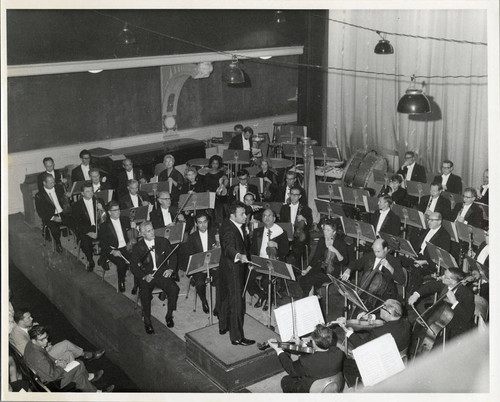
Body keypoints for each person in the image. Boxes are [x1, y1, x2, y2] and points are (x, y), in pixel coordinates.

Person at [337, 299, 411, 385]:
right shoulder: (406, 324)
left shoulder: (380, 332)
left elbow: (361, 345)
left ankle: (357, 386)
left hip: (382, 365)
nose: (380, 309)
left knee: (345, 363)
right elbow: (385, 320)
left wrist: (348, 331)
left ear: (389, 313)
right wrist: (370, 317)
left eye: (382, 308)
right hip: (398, 360)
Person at [23, 325, 114, 393]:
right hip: (53, 383)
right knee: (79, 364)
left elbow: (46, 356)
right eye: (42, 339)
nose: (46, 341)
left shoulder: (30, 344)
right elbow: (52, 377)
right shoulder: (38, 358)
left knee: (71, 360)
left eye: (46, 337)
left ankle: (94, 391)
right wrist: (61, 366)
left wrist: (56, 361)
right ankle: (89, 383)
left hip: (46, 371)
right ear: (34, 340)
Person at [216, 202, 255, 346]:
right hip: (233, 269)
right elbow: (228, 247)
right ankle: (237, 337)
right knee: (237, 303)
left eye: (245, 213)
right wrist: (239, 255)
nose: (245, 216)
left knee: (225, 298)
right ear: (233, 215)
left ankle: (223, 326)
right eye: (242, 214)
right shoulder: (229, 231)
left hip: (225, 267)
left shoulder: (228, 222)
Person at [130, 221, 179, 333]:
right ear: (142, 234)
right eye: (148, 231)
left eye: (152, 229)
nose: (152, 232)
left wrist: (170, 269)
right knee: (145, 295)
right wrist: (144, 276)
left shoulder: (163, 241)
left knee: (174, 289)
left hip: (161, 273)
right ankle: (147, 322)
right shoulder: (138, 247)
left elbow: (173, 256)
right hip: (147, 275)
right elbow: (133, 266)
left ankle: (169, 315)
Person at [267, 324, 344, 393]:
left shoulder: (306, 361)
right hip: (334, 384)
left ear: (313, 342)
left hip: (311, 389)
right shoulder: (338, 353)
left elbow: (291, 369)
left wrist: (278, 350)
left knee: (286, 380)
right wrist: (301, 344)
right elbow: (318, 351)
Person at [10, 309, 104, 364]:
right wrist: (45, 347)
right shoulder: (18, 336)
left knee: (69, 353)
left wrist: (47, 344)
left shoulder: (24, 327)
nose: (32, 318)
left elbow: (38, 338)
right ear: (21, 322)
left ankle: (84, 377)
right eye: (28, 318)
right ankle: (88, 355)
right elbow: (30, 354)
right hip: (40, 360)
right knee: (66, 344)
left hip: (42, 352)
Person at [408, 268, 475, 341]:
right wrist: (416, 295)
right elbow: (431, 285)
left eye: (445, 276)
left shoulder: (467, 294)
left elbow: (467, 317)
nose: (442, 277)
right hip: (442, 319)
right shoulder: (445, 285)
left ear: (453, 281)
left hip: (457, 327)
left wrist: (454, 302)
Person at [341, 239, 405, 310]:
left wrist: (390, 267)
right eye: (374, 251)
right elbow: (356, 263)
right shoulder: (370, 256)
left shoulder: (394, 261)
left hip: (385, 294)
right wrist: (348, 270)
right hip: (365, 289)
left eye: (378, 251)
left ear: (385, 249)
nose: (376, 254)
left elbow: (401, 280)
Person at [248, 209, 290, 309]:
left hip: (273, 262)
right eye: (264, 216)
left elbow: (286, 251)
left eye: (269, 216)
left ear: (274, 218)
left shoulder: (281, 232)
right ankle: (263, 296)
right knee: (247, 277)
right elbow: (253, 250)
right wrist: (251, 262)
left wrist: (277, 245)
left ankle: (268, 299)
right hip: (259, 261)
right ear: (262, 218)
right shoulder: (257, 231)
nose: (267, 218)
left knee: (266, 281)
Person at [299, 218, 348, 297]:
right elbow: (316, 257)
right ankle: (313, 297)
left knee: (309, 281)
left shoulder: (340, 242)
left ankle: (310, 300)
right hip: (320, 267)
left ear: (334, 232)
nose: (325, 232)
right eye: (324, 229)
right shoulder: (322, 240)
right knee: (303, 278)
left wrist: (336, 251)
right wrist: (307, 270)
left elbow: (344, 261)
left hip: (332, 271)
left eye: (328, 230)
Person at [405, 212, 451, 293]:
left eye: (431, 220)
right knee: (399, 260)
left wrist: (424, 262)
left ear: (439, 221)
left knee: (417, 272)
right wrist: (410, 253)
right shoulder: (427, 230)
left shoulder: (444, 236)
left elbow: (441, 257)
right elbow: (418, 245)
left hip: (430, 262)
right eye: (428, 219)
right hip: (419, 255)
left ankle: (412, 294)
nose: (428, 222)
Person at [183, 212, 218, 314]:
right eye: (200, 223)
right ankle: (204, 301)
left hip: (214, 265)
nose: (203, 225)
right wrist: (200, 267)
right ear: (196, 224)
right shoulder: (192, 238)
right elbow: (189, 257)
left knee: (221, 280)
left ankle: (218, 305)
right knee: (200, 283)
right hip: (199, 267)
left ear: (208, 222)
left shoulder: (214, 234)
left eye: (205, 222)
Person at [98, 201, 136, 293]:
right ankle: (121, 281)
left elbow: (132, 235)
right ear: (109, 212)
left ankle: (136, 285)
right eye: (115, 210)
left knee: (137, 261)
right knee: (121, 264)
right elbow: (103, 243)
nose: (118, 212)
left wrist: (134, 227)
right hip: (114, 249)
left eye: (118, 209)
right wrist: (112, 251)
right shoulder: (104, 225)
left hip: (127, 247)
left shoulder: (125, 219)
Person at [72, 182, 105, 271]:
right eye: (87, 191)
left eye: (91, 191)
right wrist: (88, 232)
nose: (91, 193)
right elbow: (76, 224)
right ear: (82, 193)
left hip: (98, 226)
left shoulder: (99, 201)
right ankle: (90, 260)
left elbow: (106, 218)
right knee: (86, 243)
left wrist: (102, 209)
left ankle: (103, 259)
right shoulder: (77, 205)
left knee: (110, 237)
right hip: (85, 229)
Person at [35, 173, 71, 253]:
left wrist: (67, 196)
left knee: (76, 221)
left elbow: (65, 201)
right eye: (50, 182)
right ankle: (58, 243)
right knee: (54, 228)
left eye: (53, 182)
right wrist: (53, 217)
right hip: (50, 216)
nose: (53, 184)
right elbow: (40, 212)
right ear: (44, 183)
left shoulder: (59, 188)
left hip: (62, 212)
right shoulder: (39, 195)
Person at [279, 186, 313, 267]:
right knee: (280, 246)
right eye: (292, 194)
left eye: (296, 195)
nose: (293, 197)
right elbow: (282, 222)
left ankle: (297, 269)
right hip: (287, 234)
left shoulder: (306, 209)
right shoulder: (284, 208)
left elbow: (310, 224)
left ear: (300, 196)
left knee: (297, 248)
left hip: (300, 235)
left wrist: (304, 219)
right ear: (289, 195)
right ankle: (283, 267)